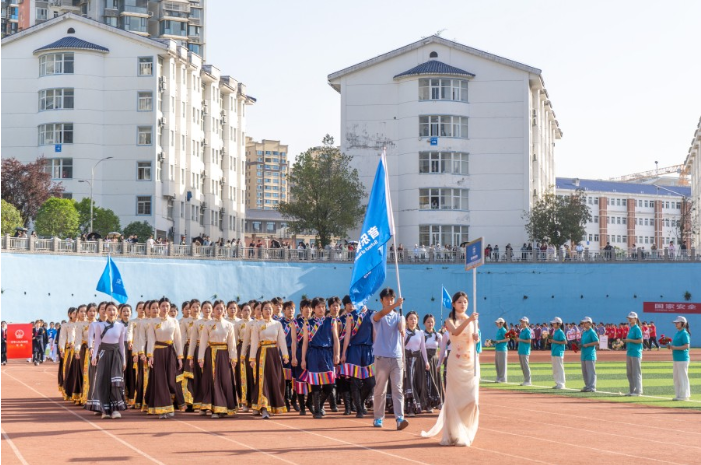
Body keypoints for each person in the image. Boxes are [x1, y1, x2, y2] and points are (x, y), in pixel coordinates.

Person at [421, 291, 479, 447]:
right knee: (454, 400)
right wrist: (470, 320)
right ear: (453, 304)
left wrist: (476, 338)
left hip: (470, 362)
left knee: (472, 400)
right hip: (455, 363)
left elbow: (473, 340)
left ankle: (465, 432)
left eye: (465, 302)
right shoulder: (450, 320)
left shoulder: (472, 320)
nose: (463, 304)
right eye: (459, 302)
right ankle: (454, 434)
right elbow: (456, 331)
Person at [371, 288, 408, 430]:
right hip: (381, 357)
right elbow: (380, 314)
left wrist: (402, 327)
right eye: (387, 299)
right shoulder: (377, 315)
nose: (389, 301)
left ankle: (400, 418)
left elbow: (401, 325)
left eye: (392, 298)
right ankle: (378, 418)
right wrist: (396, 305)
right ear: (381, 300)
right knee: (380, 389)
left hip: (397, 357)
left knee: (398, 389)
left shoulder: (399, 316)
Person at [144, 297, 185, 418]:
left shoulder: (174, 321)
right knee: (160, 380)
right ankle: (163, 409)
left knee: (170, 380)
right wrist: (150, 356)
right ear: (159, 307)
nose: (165, 308)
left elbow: (178, 340)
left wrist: (179, 357)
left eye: (167, 306)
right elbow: (151, 339)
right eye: (163, 306)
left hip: (170, 353)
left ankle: (167, 405)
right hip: (158, 353)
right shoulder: (153, 322)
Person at [87, 302, 127, 419]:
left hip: (116, 356)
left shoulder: (121, 326)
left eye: (113, 309)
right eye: (109, 309)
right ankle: (105, 410)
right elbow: (97, 342)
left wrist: (124, 360)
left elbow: (121, 345)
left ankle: (115, 410)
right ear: (105, 312)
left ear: (117, 312)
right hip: (104, 354)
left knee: (115, 382)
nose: (111, 312)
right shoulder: (100, 325)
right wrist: (94, 356)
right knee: (103, 381)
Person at [198, 300, 238, 418]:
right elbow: (203, 342)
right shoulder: (208, 324)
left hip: (224, 354)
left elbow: (232, 343)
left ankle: (225, 406)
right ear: (213, 310)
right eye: (217, 308)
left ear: (224, 310)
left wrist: (233, 357)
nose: (219, 311)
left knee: (224, 380)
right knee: (212, 380)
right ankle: (214, 408)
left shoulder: (229, 325)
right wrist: (201, 358)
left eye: (221, 308)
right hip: (211, 353)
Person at [249, 301, 289, 419]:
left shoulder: (277, 324)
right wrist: (252, 358)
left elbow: (282, 340)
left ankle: (273, 405)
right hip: (262, 354)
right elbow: (254, 342)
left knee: (275, 380)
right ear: (262, 311)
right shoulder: (257, 325)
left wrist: (285, 355)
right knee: (263, 380)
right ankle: (264, 408)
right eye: (265, 308)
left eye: (270, 308)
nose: (268, 311)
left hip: (274, 355)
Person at [301, 297, 339, 419]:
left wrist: (337, 354)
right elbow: (305, 342)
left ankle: (319, 404)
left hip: (327, 353)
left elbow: (336, 339)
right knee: (315, 384)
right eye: (318, 307)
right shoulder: (308, 323)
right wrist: (303, 359)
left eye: (323, 307)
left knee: (329, 385)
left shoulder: (331, 321)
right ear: (313, 309)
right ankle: (317, 411)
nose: (321, 309)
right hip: (314, 354)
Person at [403, 311, 429, 417]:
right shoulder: (403, 332)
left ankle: (417, 406)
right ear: (407, 321)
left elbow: (423, 348)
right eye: (410, 319)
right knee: (409, 383)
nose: (413, 321)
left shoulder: (420, 333)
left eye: (415, 319)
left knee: (418, 383)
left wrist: (426, 361)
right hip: (407, 361)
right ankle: (410, 408)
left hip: (418, 361)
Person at [292, 299, 312, 415]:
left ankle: (309, 402)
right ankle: (302, 406)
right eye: (306, 307)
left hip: (313, 353)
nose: (308, 310)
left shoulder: (315, 322)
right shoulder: (296, 323)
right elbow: (294, 341)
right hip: (300, 352)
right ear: (301, 309)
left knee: (313, 379)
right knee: (300, 379)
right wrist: (294, 356)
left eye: (310, 307)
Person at [423, 314, 443, 412]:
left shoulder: (438, 335)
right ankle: (428, 404)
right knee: (427, 382)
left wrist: (440, 362)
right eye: (428, 322)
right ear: (424, 323)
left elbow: (443, 349)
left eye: (432, 322)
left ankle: (438, 402)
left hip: (435, 361)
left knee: (436, 381)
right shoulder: (422, 334)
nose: (430, 324)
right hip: (425, 360)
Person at [670, 316, 691, 401]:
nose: (676, 324)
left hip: (682, 358)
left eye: (677, 322)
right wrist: (670, 346)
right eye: (675, 323)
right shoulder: (677, 333)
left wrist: (675, 348)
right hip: (676, 358)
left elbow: (686, 346)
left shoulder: (684, 333)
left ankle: (684, 395)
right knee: (676, 378)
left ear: (683, 323)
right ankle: (678, 395)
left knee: (682, 377)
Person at [623, 312, 644, 396]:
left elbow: (640, 340)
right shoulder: (631, 329)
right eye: (629, 318)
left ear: (635, 319)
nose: (629, 319)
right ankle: (632, 390)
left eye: (631, 318)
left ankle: (638, 391)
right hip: (630, 352)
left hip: (636, 352)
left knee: (636, 372)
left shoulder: (637, 329)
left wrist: (629, 340)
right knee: (629, 373)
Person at [580, 317, 599, 392]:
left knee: (591, 371)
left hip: (590, 354)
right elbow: (582, 342)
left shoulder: (592, 332)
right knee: (585, 372)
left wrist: (587, 344)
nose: (584, 324)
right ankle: (587, 385)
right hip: (584, 354)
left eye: (585, 323)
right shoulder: (584, 332)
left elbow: (597, 342)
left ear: (589, 323)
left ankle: (592, 387)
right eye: (583, 323)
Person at [549, 317, 566, 389]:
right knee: (555, 368)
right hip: (554, 351)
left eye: (554, 323)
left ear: (558, 324)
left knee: (559, 368)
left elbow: (564, 342)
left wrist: (554, 341)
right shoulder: (555, 331)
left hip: (559, 352)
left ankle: (561, 383)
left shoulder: (560, 332)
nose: (553, 324)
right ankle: (557, 383)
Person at [517, 317, 532, 386]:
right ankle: (526, 380)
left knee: (525, 366)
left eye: (523, 322)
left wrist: (520, 340)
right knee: (523, 366)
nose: (522, 323)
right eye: (521, 322)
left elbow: (529, 341)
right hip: (521, 350)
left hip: (525, 350)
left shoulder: (527, 331)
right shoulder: (522, 330)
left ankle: (528, 380)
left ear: (526, 323)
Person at [493, 318, 508, 383]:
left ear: (501, 323)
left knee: (502, 364)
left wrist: (500, 341)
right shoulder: (499, 330)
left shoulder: (503, 330)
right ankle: (499, 377)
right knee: (498, 364)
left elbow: (508, 339)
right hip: (498, 348)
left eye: (498, 323)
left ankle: (502, 378)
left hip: (502, 349)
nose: (497, 324)